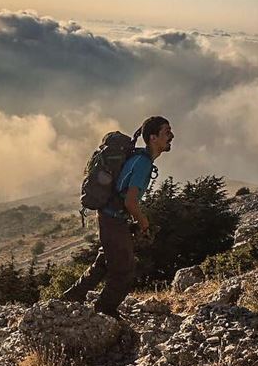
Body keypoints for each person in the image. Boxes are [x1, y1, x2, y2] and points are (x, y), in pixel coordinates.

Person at [62, 116, 174, 318]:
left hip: (110, 216)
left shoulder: (139, 158)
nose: (171, 136)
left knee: (104, 262)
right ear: (153, 137)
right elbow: (130, 202)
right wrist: (144, 223)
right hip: (114, 219)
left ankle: (70, 297)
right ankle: (104, 309)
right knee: (124, 270)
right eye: (167, 132)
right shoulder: (143, 163)